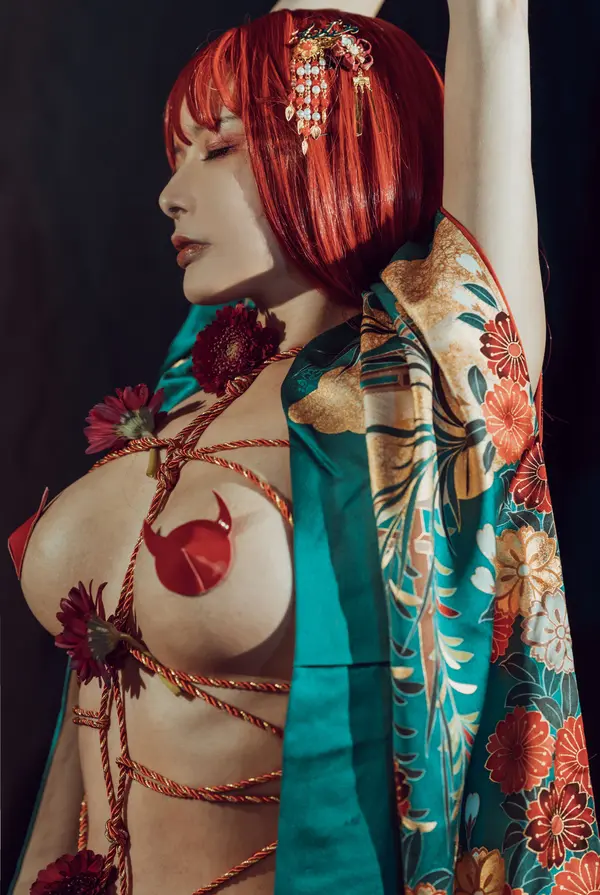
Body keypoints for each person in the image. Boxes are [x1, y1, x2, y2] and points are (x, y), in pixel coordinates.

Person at [7, 1, 598, 894]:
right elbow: (85, 735)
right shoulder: (194, 384)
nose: (170, 194)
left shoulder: (416, 400)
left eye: (217, 148)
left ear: (334, 145)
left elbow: (491, 19)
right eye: (177, 155)